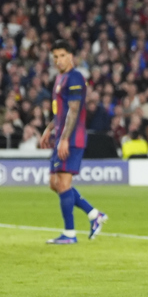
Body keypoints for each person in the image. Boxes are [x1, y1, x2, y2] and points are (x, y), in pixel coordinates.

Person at [40, 40, 107, 245]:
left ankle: (69, 234)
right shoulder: (61, 78)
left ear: (71, 56)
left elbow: (74, 110)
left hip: (72, 138)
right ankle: (94, 214)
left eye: (62, 55)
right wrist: (49, 129)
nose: (58, 60)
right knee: (55, 183)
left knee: (64, 183)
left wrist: (65, 139)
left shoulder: (75, 77)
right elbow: (61, 112)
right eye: (55, 57)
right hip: (61, 135)